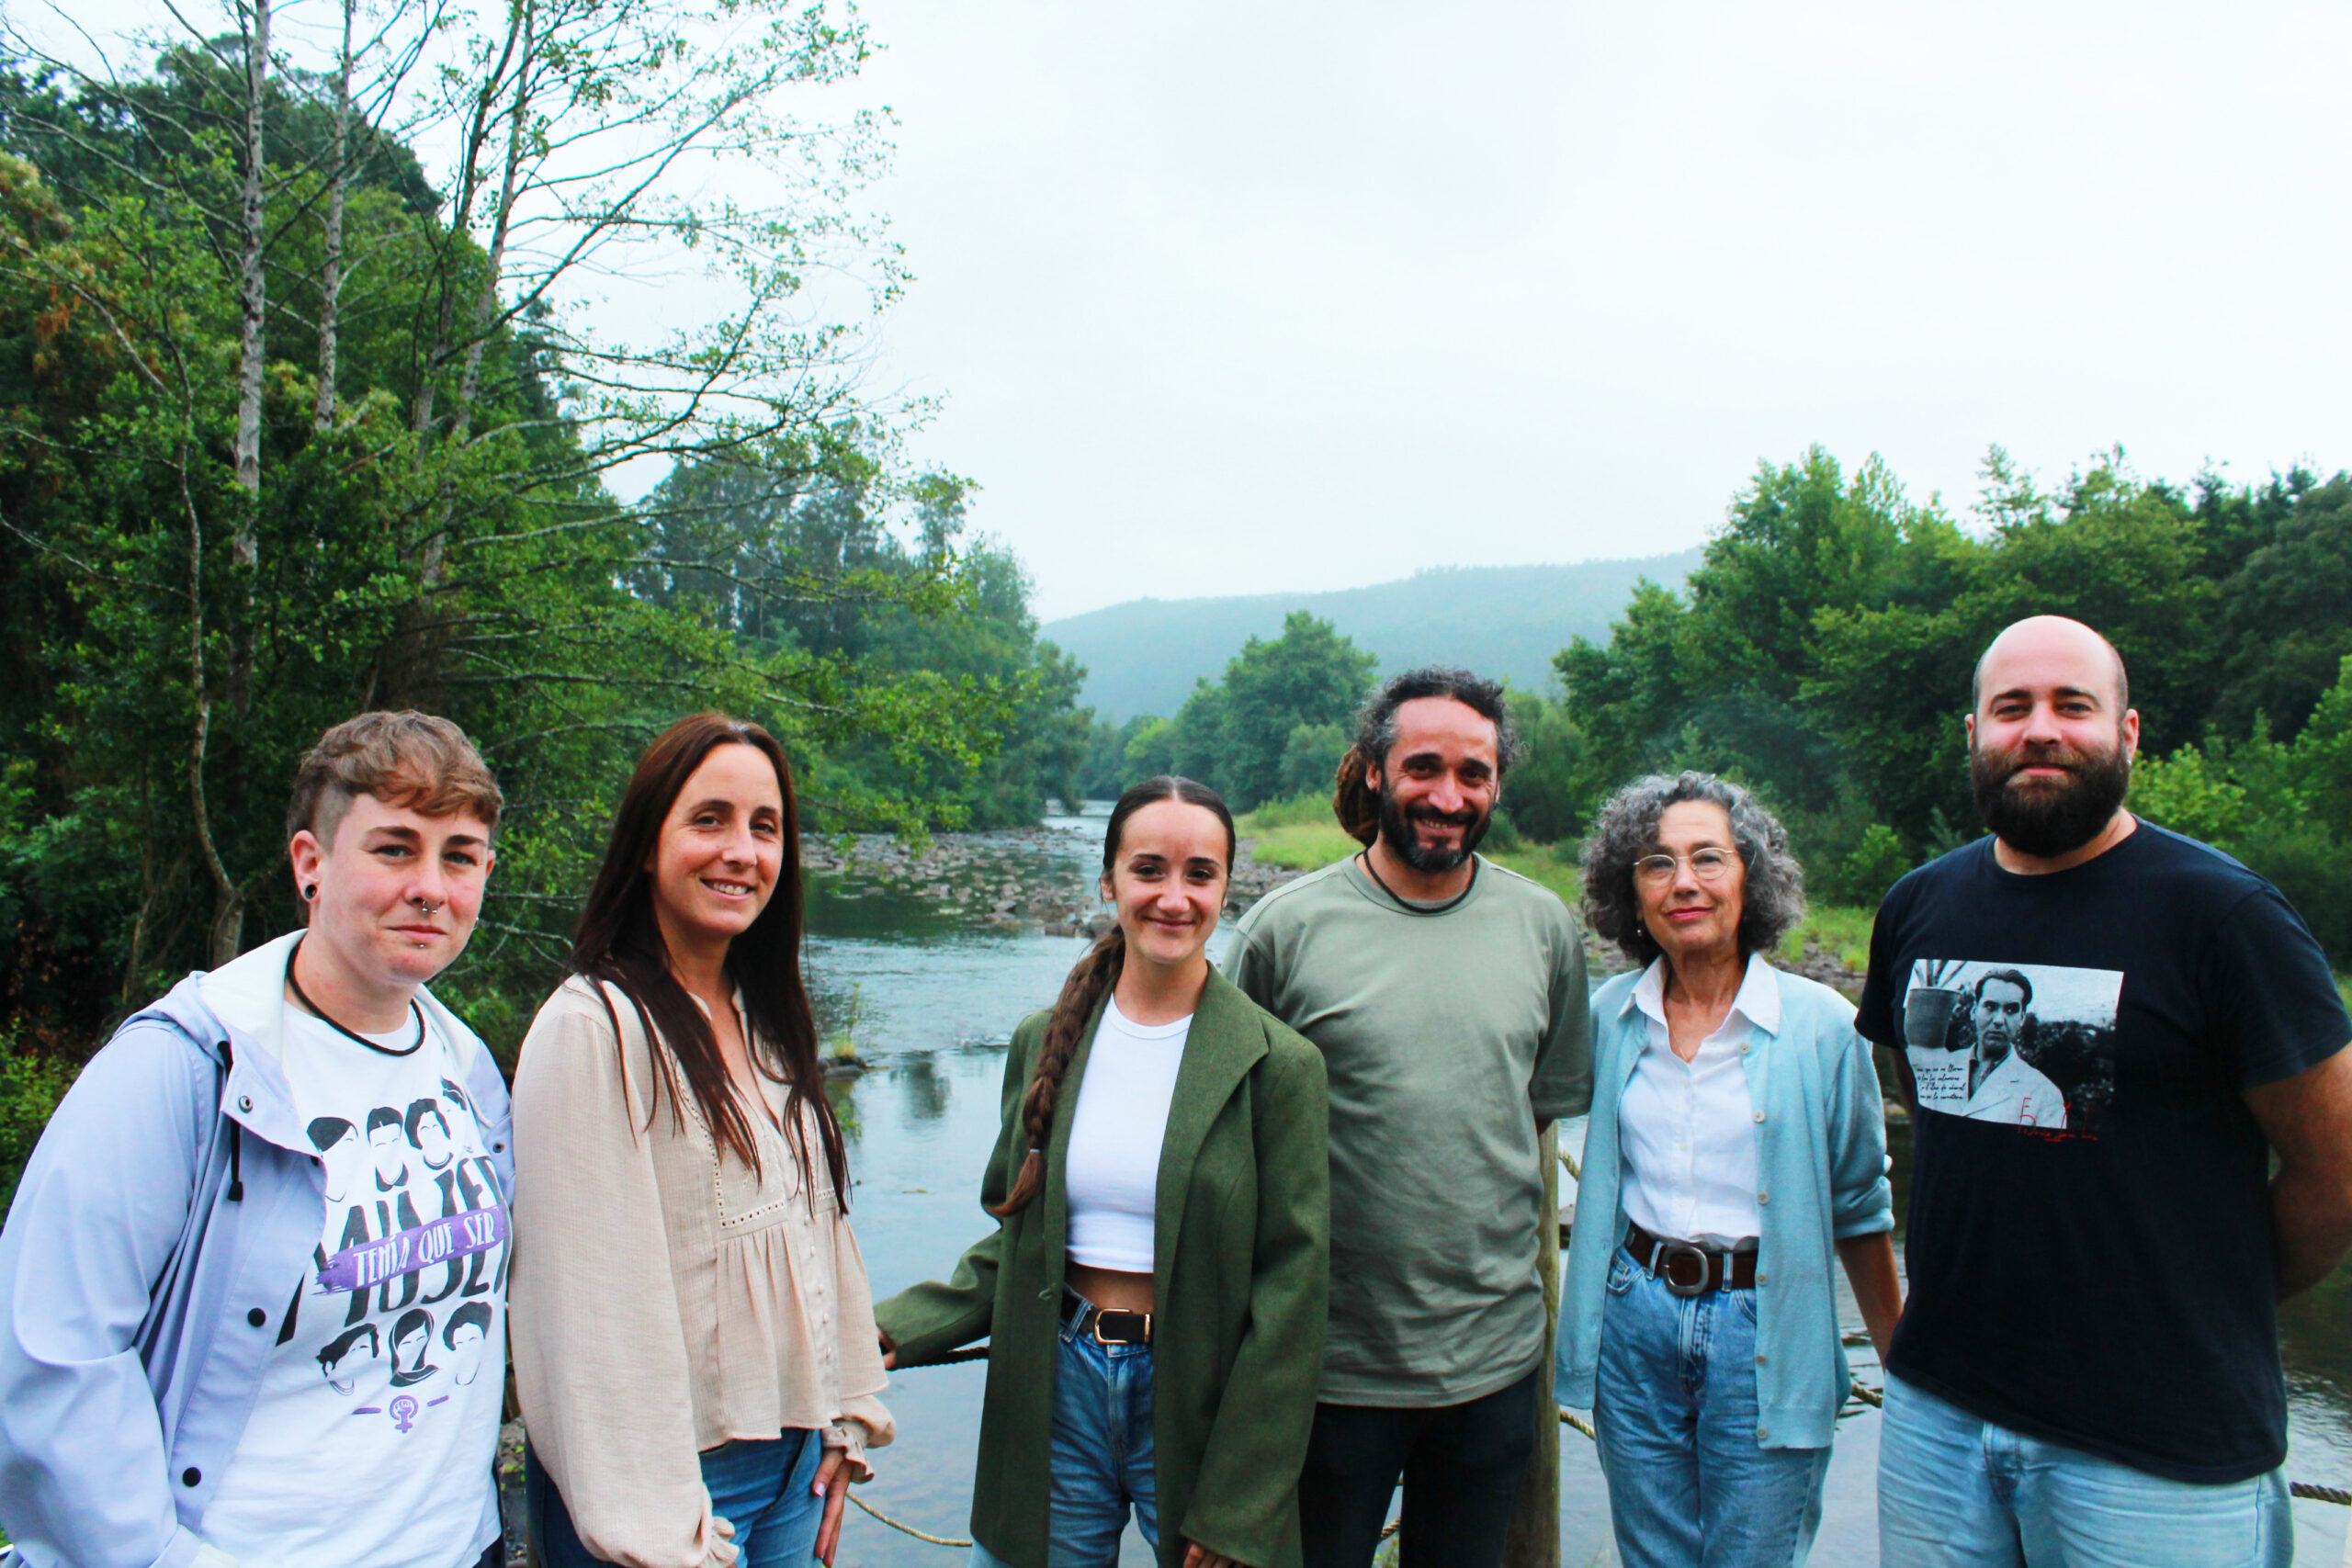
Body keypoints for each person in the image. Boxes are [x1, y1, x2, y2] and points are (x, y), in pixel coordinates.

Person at [1862, 615, 2352, 1567]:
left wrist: (2214, 1296)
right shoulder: (1917, 906)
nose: (2038, 729)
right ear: (1974, 737)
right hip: (1938, 1422)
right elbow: (1936, 1116)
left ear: (2126, 735)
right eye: (2010, 708)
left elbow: (2334, 1170)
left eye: (2071, 705)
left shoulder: (2225, 919)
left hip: (2158, 1448)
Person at [0, 710, 514, 1568]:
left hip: (458, 1547)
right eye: (394, 848)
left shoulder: (468, 1067)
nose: (431, 884)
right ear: (310, 863)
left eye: (458, 855)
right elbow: (52, 1358)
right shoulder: (187, 1066)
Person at [875, 776, 1329, 1568]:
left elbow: (1292, 1299)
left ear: (1227, 887)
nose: (1174, 898)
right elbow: (1015, 1241)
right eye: (1148, 869)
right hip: (1056, 1387)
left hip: (1198, 1396)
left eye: (1200, 874)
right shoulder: (1043, 1040)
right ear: (1109, 880)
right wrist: (893, 1326)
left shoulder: (1278, 1067)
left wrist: (1239, 1504)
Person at [1226, 668, 1591, 1568]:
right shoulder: (1284, 931)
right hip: (1326, 1370)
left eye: (1474, 774)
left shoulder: (1544, 929)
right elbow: (1230, 1143)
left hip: (1495, 1366)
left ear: (1497, 785)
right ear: (1376, 773)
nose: (1447, 795)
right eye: (1423, 767)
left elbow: (1540, 1117)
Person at [509, 712, 891, 1568]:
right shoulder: (593, 1030)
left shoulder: (767, 1023)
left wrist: (842, 1412)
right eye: (709, 818)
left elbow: (818, 1234)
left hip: (795, 1469)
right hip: (671, 1496)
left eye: (765, 827)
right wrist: (655, 1526)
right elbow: (584, 1313)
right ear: (648, 842)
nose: (742, 851)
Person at [1556, 773, 1900, 1568]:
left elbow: (1860, 1199)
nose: (1683, 882)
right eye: (1655, 862)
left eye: (1707, 858)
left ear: (1752, 875)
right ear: (1629, 890)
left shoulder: (1825, 1027)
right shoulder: (1607, 1015)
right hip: (1632, 1317)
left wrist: (1896, 1355)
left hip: (1766, 1326)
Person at [1957, 971, 2064, 1129]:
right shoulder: (1942, 1067)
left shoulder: (2045, 1093)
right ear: (1974, 1011)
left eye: (2011, 1010)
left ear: (2021, 1018)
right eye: (1990, 1007)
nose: (1999, 1020)